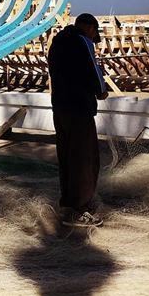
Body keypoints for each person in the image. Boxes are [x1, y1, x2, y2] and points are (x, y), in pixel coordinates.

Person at [48, 12, 108, 227]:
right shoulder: (83, 41)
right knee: (85, 160)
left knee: (67, 157)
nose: (94, 39)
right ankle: (79, 210)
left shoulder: (57, 42)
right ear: (90, 28)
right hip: (79, 109)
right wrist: (102, 91)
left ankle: (68, 203)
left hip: (60, 108)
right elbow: (95, 72)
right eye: (95, 34)